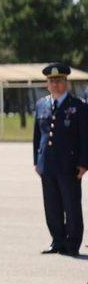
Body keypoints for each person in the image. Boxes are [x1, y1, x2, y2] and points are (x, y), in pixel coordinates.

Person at [34, 63, 88, 257]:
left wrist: (84, 163)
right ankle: (57, 240)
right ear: (47, 83)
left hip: (69, 165)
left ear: (66, 82)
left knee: (71, 206)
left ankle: (72, 243)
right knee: (52, 206)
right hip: (47, 165)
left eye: (58, 80)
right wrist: (36, 161)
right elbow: (37, 136)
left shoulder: (78, 106)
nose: (55, 84)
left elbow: (85, 137)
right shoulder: (41, 104)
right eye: (51, 81)